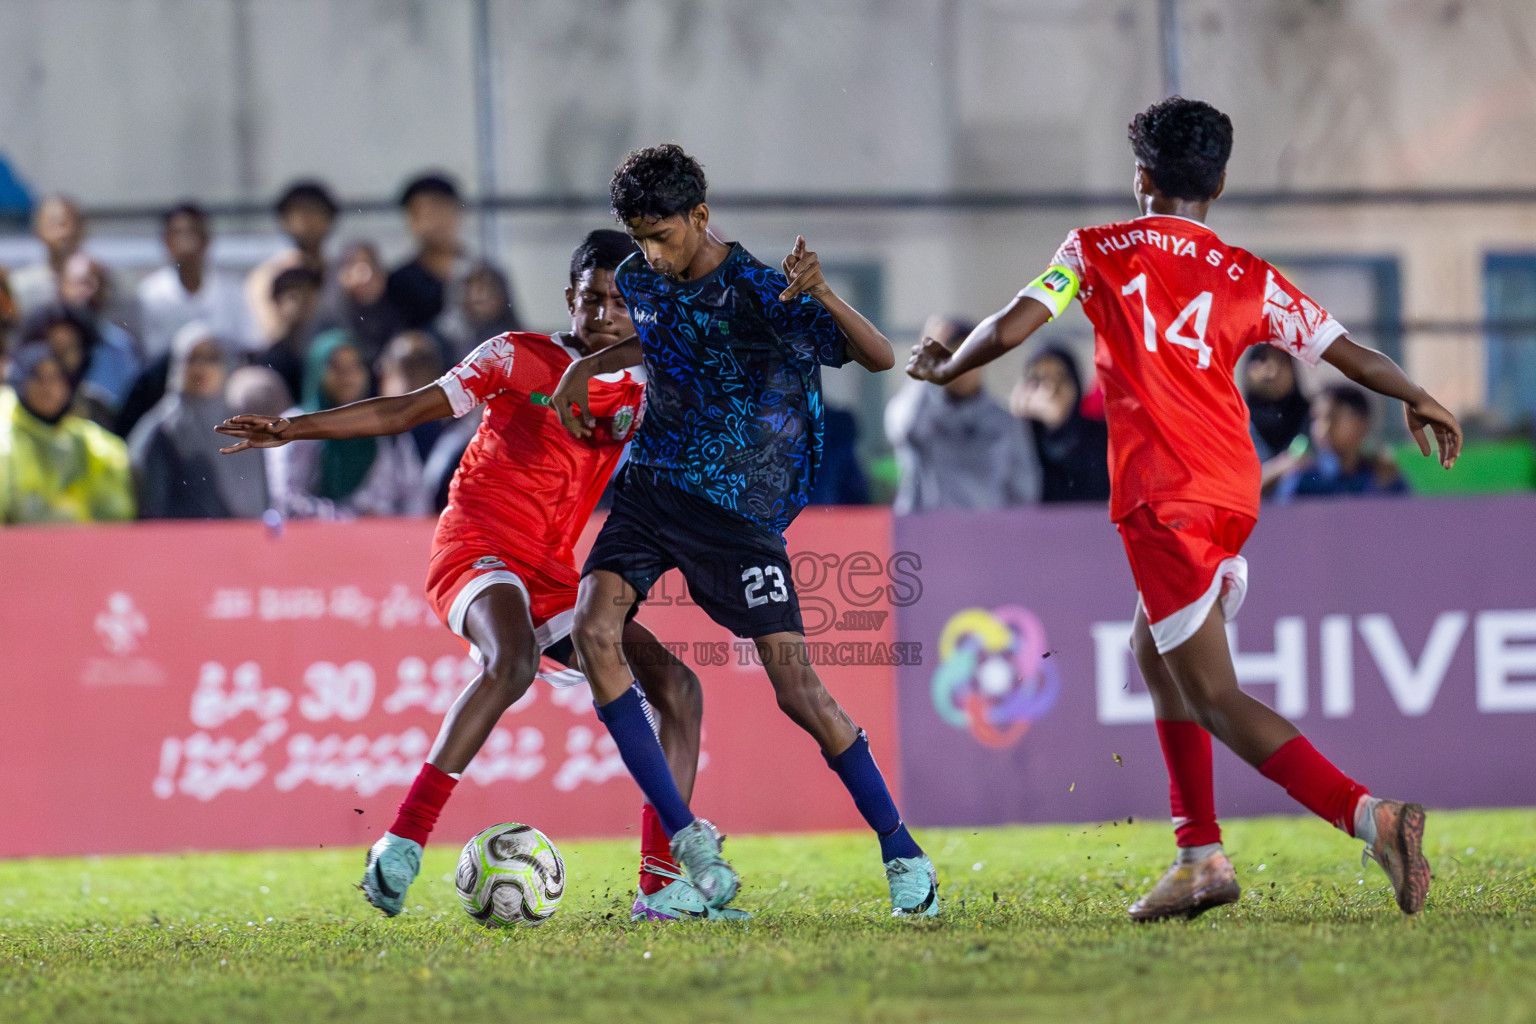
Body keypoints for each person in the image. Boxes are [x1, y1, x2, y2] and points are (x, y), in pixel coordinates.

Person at [907, 97, 1461, 920]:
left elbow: (1018, 321)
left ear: (1140, 177)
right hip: (1232, 489)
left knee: (1212, 693)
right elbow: (1351, 353)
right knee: (1151, 648)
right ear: (1222, 182)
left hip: (1163, 496)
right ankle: (1198, 854)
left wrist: (952, 362)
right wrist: (1419, 395)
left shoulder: (1096, 251)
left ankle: (1372, 818)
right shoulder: (1251, 276)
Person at [215, 230, 723, 922]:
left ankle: (660, 887)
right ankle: (401, 842)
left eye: (621, 301)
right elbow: (403, 409)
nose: (605, 312)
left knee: (679, 688)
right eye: (591, 298)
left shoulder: (646, 379)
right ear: (568, 298)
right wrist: (294, 428)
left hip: (553, 574)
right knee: (511, 661)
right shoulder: (515, 355)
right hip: (474, 547)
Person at [551, 144, 938, 918]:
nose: (651, 255)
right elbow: (661, 334)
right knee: (595, 627)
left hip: (739, 516)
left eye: (663, 236)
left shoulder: (763, 290)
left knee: (798, 693)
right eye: (639, 236)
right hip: (653, 491)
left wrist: (822, 292)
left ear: (700, 215)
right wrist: (581, 369)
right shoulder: (637, 278)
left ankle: (903, 855)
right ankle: (679, 853)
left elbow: (879, 356)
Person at [885, 314, 1039, 514]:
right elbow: (902, 428)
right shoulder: (921, 412)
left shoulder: (1004, 422)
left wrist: (1005, 536)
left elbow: (1023, 492)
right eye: (952, 355)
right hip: (926, 536)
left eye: (969, 354)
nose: (962, 365)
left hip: (985, 538)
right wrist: (922, 372)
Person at [128, 323, 266, 520]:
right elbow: (152, 510)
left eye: (212, 358)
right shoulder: (162, 429)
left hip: (240, 545)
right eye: (193, 358)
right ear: (178, 365)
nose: (202, 367)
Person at [283, 329, 428, 518]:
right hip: (325, 540)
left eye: (355, 367)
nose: (349, 376)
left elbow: (415, 494)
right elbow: (288, 499)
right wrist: (350, 520)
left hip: (387, 541)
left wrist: (402, 532)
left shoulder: (387, 426)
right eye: (337, 368)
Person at [0, 339, 134, 524]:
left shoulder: (91, 443)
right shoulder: (5, 437)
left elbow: (116, 513)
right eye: (38, 378)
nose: (48, 389)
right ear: (21, 382)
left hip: (79, 549)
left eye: (56, 378)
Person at [136, 203, 254, 360]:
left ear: (207, 239)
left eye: (193, 232)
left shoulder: (232, 290)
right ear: (166, 241)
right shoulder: (148, 294)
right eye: (179, 233)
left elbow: (251, 344)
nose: (187, 241)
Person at [1272, 383, 1407, 501]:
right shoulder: (1303, 480)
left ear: (1362, 424)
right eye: (1316, 419)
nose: (1323, 429)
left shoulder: (1385, 477)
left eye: (1333, 418)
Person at [1010, 345, 1111, 503]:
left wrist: (1058, 427)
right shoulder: (1018, 439)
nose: (1049, 389)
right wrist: (1014, 423)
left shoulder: (1103, 437)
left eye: (1060, 378)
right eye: (1039, 379)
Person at [245, 181, 339, 345]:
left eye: (314, 211)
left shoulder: (342, 272)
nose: (306, 219)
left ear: (330, 221)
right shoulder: (267, 275)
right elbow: (270, 333)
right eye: (299, 211)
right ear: (284, 221)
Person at [385, 173, 472, 338]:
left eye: (441, 209)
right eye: (424, 213)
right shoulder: (399, 282)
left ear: (458, 213)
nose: (435, 221)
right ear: (411, 221)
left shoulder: (484, 274)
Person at [59, 252, 142, 419]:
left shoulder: (121, 347)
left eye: (99, 284)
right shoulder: (43, 341)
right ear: (62, 287)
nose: (91, 291)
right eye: (83, 283)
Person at [314, 241, 406, 368]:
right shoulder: (327, 318)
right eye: (353, 266)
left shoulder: (395, 311)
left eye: (370, 265)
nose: (364, 275)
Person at [254, 265, 325, 402]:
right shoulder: (271, 360)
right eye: (294, 296)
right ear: (276, 302)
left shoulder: (328, 350)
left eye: (311, 293)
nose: (306, 301)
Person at [8, 194, 85, 316]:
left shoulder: (95, 282)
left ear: (80, 229)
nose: (61, 232)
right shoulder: (22, 283)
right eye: (53, 222)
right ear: (38, 231)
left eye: (65, 222)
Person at [453, 261, 523, 360]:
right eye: (469, 289)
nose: (475, 297)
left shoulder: (510, 340)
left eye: (483, 289)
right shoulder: (451, 337)